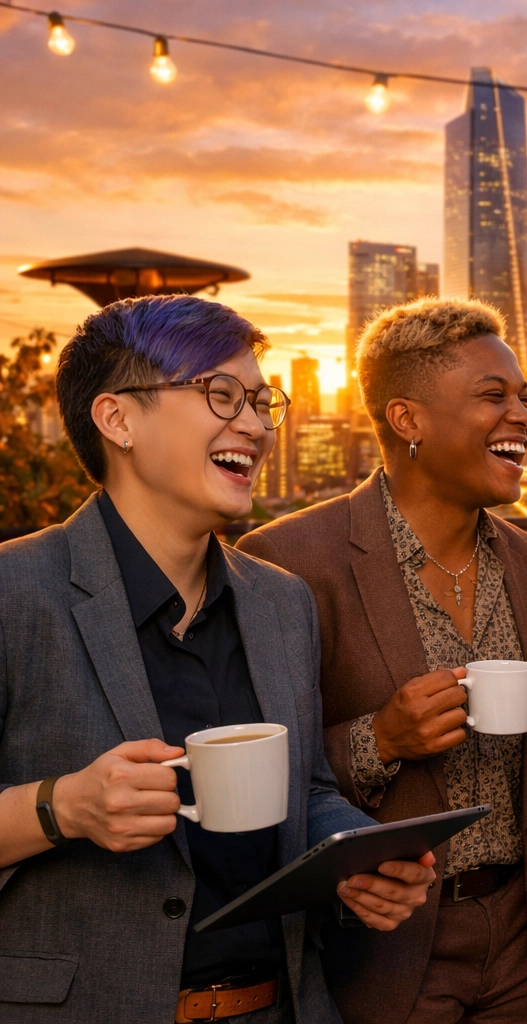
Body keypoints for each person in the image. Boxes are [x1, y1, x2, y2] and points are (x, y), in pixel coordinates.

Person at [0, 295, 433, 1024]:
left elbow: (306, 791)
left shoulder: (283, 603)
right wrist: (63, 806)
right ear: (118, 419)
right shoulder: (16, 592)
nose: (256, 425)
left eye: (264, 402)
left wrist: (351, 852)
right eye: (221, 394)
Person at [237, 299, 527, 1024]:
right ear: (407, 420)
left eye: (525, 396)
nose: (523, 415)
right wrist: (378, 740)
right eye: (493, 396)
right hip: (381, 949)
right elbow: (249, 777)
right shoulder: (287, 563)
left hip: (521, 940)